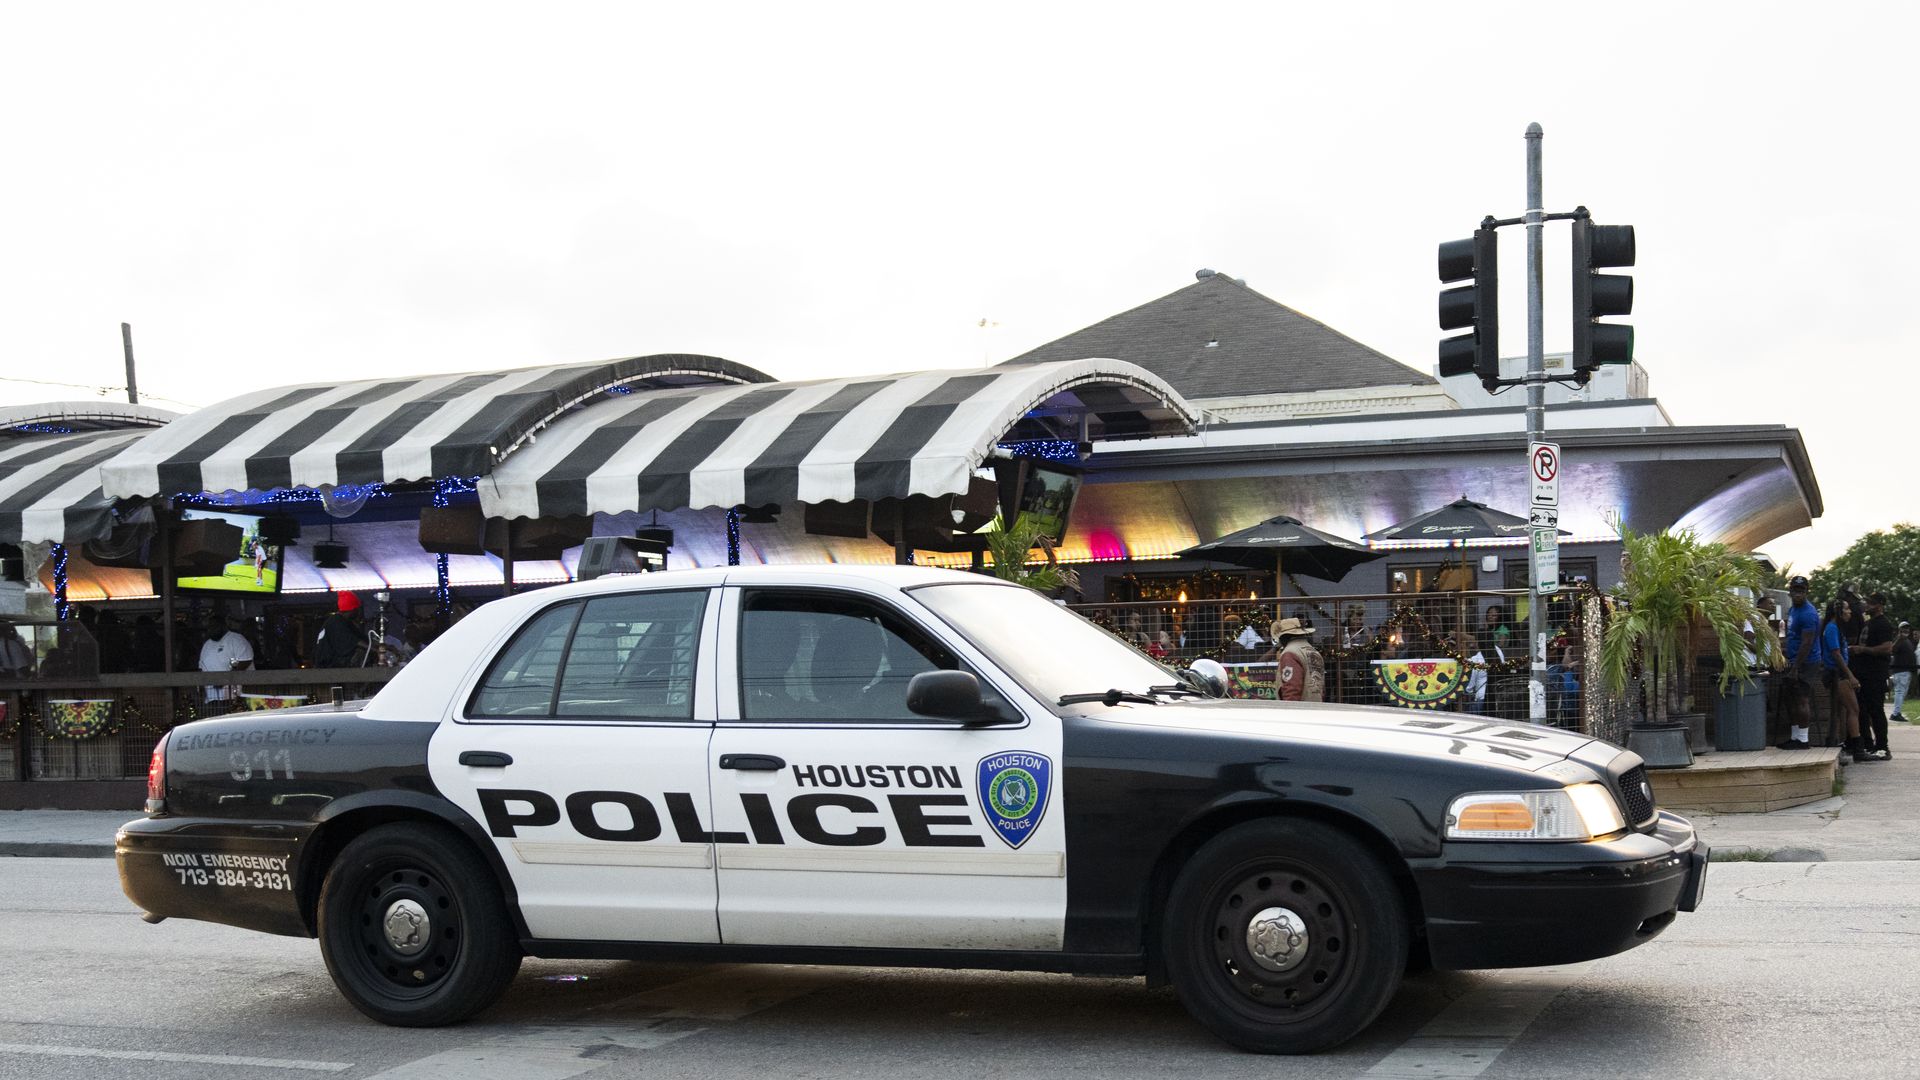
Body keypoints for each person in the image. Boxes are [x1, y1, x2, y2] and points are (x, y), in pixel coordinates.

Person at [1820, 598, 1872, 764]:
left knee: (1840, 711)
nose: (1850, 612)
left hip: (1839, 673)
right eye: (1847, 609)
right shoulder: (1832, 628)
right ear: (1839, 612)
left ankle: (1836, 744)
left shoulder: (1836, 629)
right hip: (1837, 674)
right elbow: (1836, 654)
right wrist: (1850, 675)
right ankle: (1857, 749)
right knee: (1853, 709)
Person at [1775, 576, 1824, 749]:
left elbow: (1807, 643)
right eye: (1795, 590)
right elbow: (1792, 636)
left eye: (1801, 590)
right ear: (1790, 592)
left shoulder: (1808, 613)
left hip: (1806, 662)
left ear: (1806, 592)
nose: (1798, 593)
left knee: (1802, 699)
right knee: (1791, 697)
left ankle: (1803, 740)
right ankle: (1795, 737)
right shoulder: (1793, 610)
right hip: (1793, 659)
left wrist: (1796, 667)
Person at [1852, 593, 1896, 758]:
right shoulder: (1869, 623)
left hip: (1875, 674)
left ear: (1880, 605)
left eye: (1871, 603)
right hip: (1864, 673)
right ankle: (1869, 744)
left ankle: (1883, 747)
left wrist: (1863, 650)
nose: (1867, 606)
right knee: (1863, 709)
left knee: (1876, 710)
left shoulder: (1883, 624)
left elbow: (1887, 648)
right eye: (1867, 602)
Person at [198, 613, 254, 707]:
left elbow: (245, 661)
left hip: (234, 695)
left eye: (214, 626)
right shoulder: (207, 644)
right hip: (211, 697)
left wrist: (224, 680)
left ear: (223, 626)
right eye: (209, 627)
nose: (210, 630)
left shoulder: (236, 639)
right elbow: (201, 667)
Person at [1271, 617, 1324, 703]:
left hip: (1299, 711)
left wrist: (1290, 710)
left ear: (1284, 637)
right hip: (1315, 707)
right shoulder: (1313, 651)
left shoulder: (1290, 653)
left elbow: (1292, 688)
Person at [314, 591, 370, 668]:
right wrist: (376, 650)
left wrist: (383, 646)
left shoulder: (345, 622)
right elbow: (353, 641)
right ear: (352, 609)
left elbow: (363, 639)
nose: (359, 612)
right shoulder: (336, 621)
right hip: (328, 668)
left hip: (333, 666)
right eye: (357, 609)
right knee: (360, 651)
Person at [1892, 622, 1916, 721]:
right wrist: (1899, 638)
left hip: (1906, 671)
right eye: (1903, 628)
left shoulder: (1907, 641)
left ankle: (1897, 712)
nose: (1906, 630)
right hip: (1900, 671)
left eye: (1907, 628)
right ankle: (1896, 714)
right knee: (1900, 692)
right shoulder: (1899, 640)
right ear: (1899, 629)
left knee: (1902, 693)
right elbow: (1892, 649)